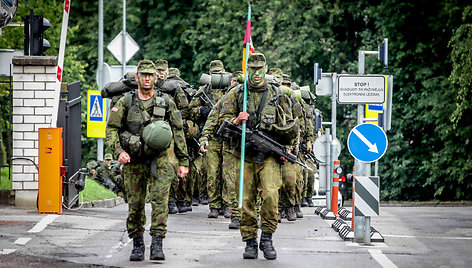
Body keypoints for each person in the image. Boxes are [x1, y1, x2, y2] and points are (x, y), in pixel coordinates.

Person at [218, 53, 299, 260]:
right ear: (247, 70)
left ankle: (267, 238)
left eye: (259, 68)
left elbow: (289, 125)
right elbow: (221, 124)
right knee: (245, 201)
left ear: (266, 68)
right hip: (243, 155)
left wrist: (287, 148)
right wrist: (236, 120)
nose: (256, 73)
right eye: (252, 69)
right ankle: (250, 241)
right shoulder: (237, 93)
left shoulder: (277, 94)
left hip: (269, 156)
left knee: (271, 196)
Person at [106, 60, 189, 261]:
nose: (146, 78)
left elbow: (178, 130)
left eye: (150, 75)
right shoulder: (125, 101)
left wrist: (183, 161)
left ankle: (157, 242)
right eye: (143, 75)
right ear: (137, 78)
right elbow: (111, 130)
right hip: (133, 160)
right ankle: (137, 243)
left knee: (160, 202)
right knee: (135, 204)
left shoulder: (166, 101)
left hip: (160, 158)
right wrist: (118, 151)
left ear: (156, 77)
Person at [190, 60, 229, 218]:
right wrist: (202, 110)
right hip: (211, 136)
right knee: (213, 172)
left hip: (227, 136)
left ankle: (226, 204)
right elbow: (190, 110)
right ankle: (214, 205)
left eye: (219, 72)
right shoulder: (204, 90)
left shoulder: (231, 89)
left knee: (227, 172)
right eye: (214, 73)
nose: (217, 76)